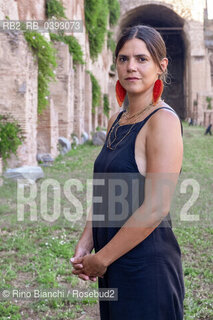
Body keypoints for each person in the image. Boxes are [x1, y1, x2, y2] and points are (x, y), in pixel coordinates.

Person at [70, 25, 185, 319]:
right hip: (113, 262)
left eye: (141, 59)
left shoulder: (163, 121)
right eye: (123, 59)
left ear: (161, 66)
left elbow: (157, 205)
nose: (131, 66)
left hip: (147, 266)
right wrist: (87, 240)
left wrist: (102, 259)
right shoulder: (117, 120)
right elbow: (108, 193)